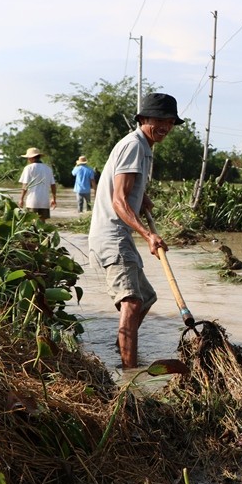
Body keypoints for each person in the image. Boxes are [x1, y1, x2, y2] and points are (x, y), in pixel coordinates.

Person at [88, 92, 184, 369]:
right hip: (113, 235)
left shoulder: (144, 147)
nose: (165, 126)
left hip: (118, 234)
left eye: (170, 121)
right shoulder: (133, 145)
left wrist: (141, 198)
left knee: (145, 298)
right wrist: (148, 235)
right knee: (131, 302)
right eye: (159, 120)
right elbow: (118, 200)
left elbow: (126, 190)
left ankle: (121, 345)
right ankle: (129, 373)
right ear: (143, 119)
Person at [18, 147, 57, 219]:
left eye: (28, 158)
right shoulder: (48, 168)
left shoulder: (28, 168)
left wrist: (21, 199)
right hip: (44, 201)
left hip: (32, 201)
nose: (28, 159)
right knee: (42, 223)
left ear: (32, 158)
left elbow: (25, 185)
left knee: (31, 222)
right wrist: (54, 199)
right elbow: (53, 185)